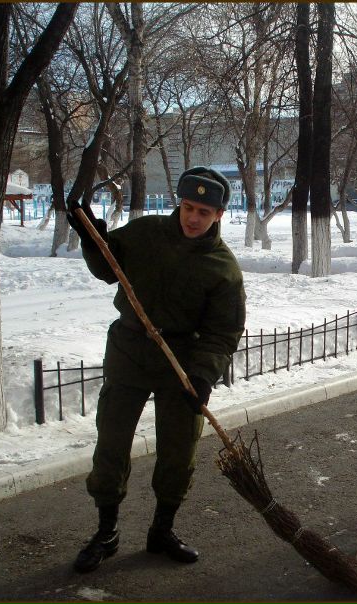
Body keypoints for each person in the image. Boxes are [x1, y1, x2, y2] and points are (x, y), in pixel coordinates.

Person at [66, 167, 246, 572]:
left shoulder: (222, 268)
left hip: (181, 362)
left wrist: (203, 375)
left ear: (219, 214)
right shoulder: (145, 233)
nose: (193, 218)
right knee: (111, 443)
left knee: (178, 450)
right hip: (129, 351)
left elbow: (223, 332)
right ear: (179, 204)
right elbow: (108, 268)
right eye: (188, 207)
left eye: (203, 211)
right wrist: (92, 239)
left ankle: (162, 531)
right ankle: (106, 533)